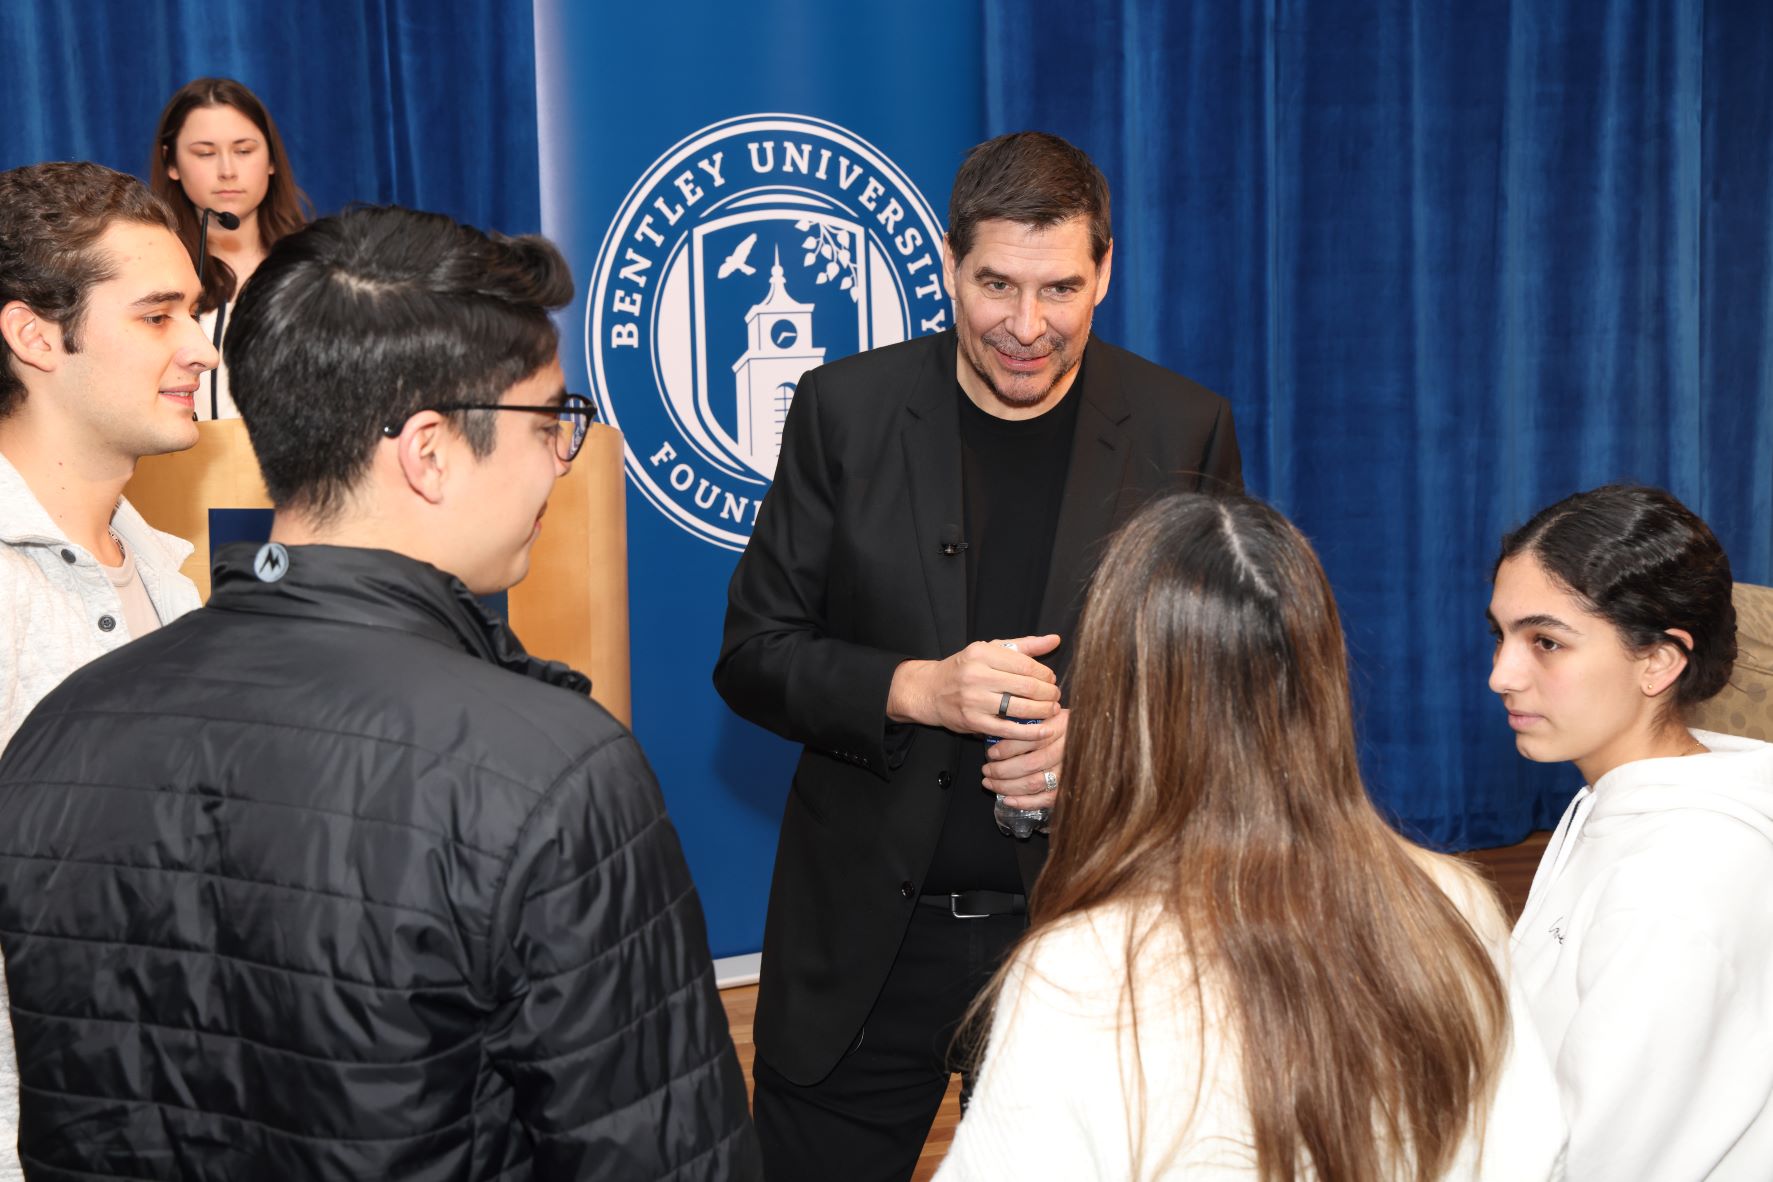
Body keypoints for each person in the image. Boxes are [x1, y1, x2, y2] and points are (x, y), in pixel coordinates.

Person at [0, 205, 760, 1179]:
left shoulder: (62, 731)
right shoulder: (550, 773)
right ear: (430, 450)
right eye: (551, 421)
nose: (558, 465)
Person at [715, 130, 1242, 1180]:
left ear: (1105, 272)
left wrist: (1100, 746)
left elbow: (1229, 690)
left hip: (1090, 938)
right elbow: (753, 654)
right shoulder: (844, 411)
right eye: (996, 284)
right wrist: (917, 688)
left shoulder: (1185, 429)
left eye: (1059, 289)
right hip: (865, 949)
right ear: (951, 264)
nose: (1026, 325)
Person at [936, 492, 1567, 1181]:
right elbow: (1525, 1153)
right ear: (1320, 676)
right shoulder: (1453, 903)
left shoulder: (1076, 970)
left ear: (1120, 700)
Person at [0, 159, 215, 1179]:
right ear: (37, 336)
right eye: (158, 316)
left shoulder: (173, 585)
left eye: (196, 313)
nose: (200, 347)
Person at [1490, 483, 1773, 1179]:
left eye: (1545, 642)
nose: (1501, 674)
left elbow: (1596, 1161)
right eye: (1500, 635)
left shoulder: (1675, 881)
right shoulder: (1617, 800)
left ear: (1658, 660)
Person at [151, 75, 312, 420]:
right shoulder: (148, 276)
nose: (227, 170)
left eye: (244, 151)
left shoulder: (318, 267)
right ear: (172, 163)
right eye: (205, 153)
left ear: (271, 159)